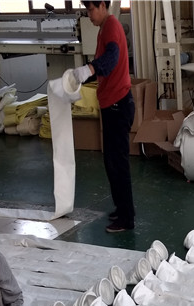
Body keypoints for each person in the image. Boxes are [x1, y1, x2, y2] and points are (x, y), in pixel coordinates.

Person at [68, 0, 135, 233]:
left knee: (118, 163)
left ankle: (127, 218)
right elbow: (105, 64)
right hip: (111, 104)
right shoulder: (104, 28)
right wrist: (83, 75)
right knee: (111, 162)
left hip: (118, 105)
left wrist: (89, 68)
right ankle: (121, 208)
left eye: (91, 9)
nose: (89, 15)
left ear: (103, 6)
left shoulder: (112, 27)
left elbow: (112, 57)